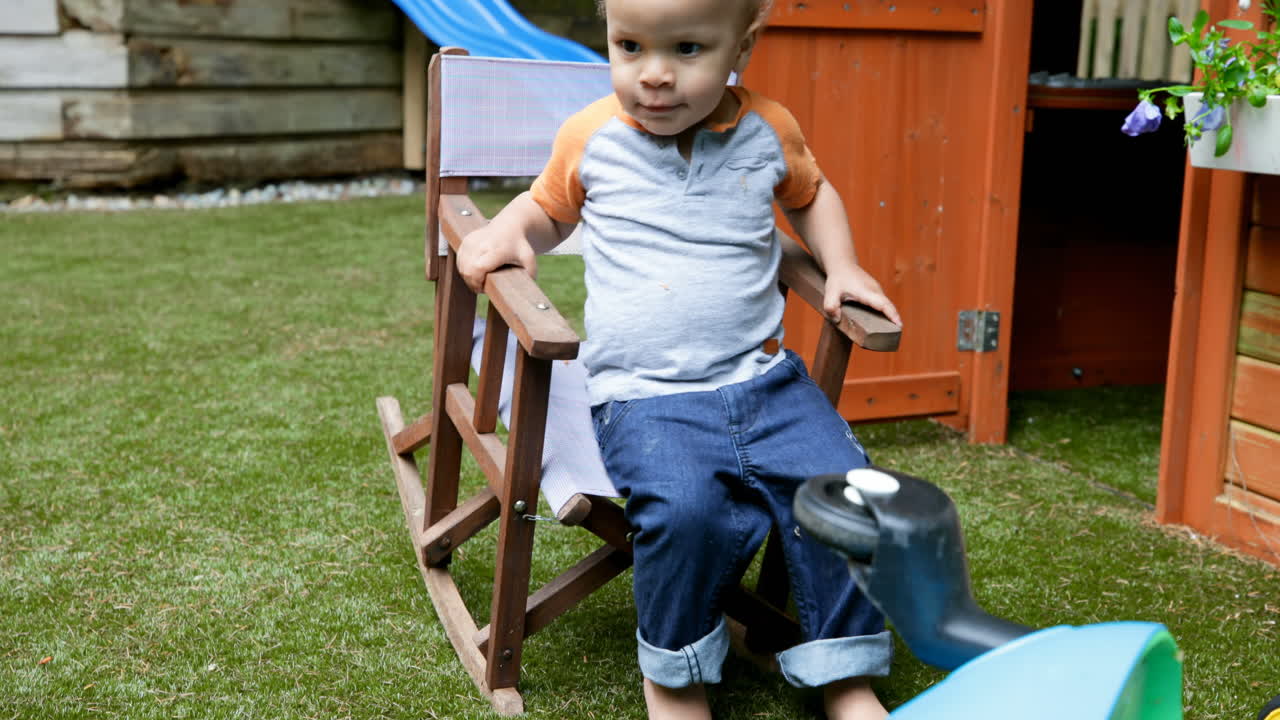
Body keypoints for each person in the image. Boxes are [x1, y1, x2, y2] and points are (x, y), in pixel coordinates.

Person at [457, 0, 902, 717]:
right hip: (643, 395)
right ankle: (674, 674)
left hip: (765, 381)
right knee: (686, 511)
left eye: (688, 48)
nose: (654, 76)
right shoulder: (591, 136)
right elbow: (546, 208)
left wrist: (842, 266)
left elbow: (811, 195)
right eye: (630, 46)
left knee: (848, 493)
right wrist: (512, 232)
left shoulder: (768, 130)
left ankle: (844, 673)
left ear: (743, 47)